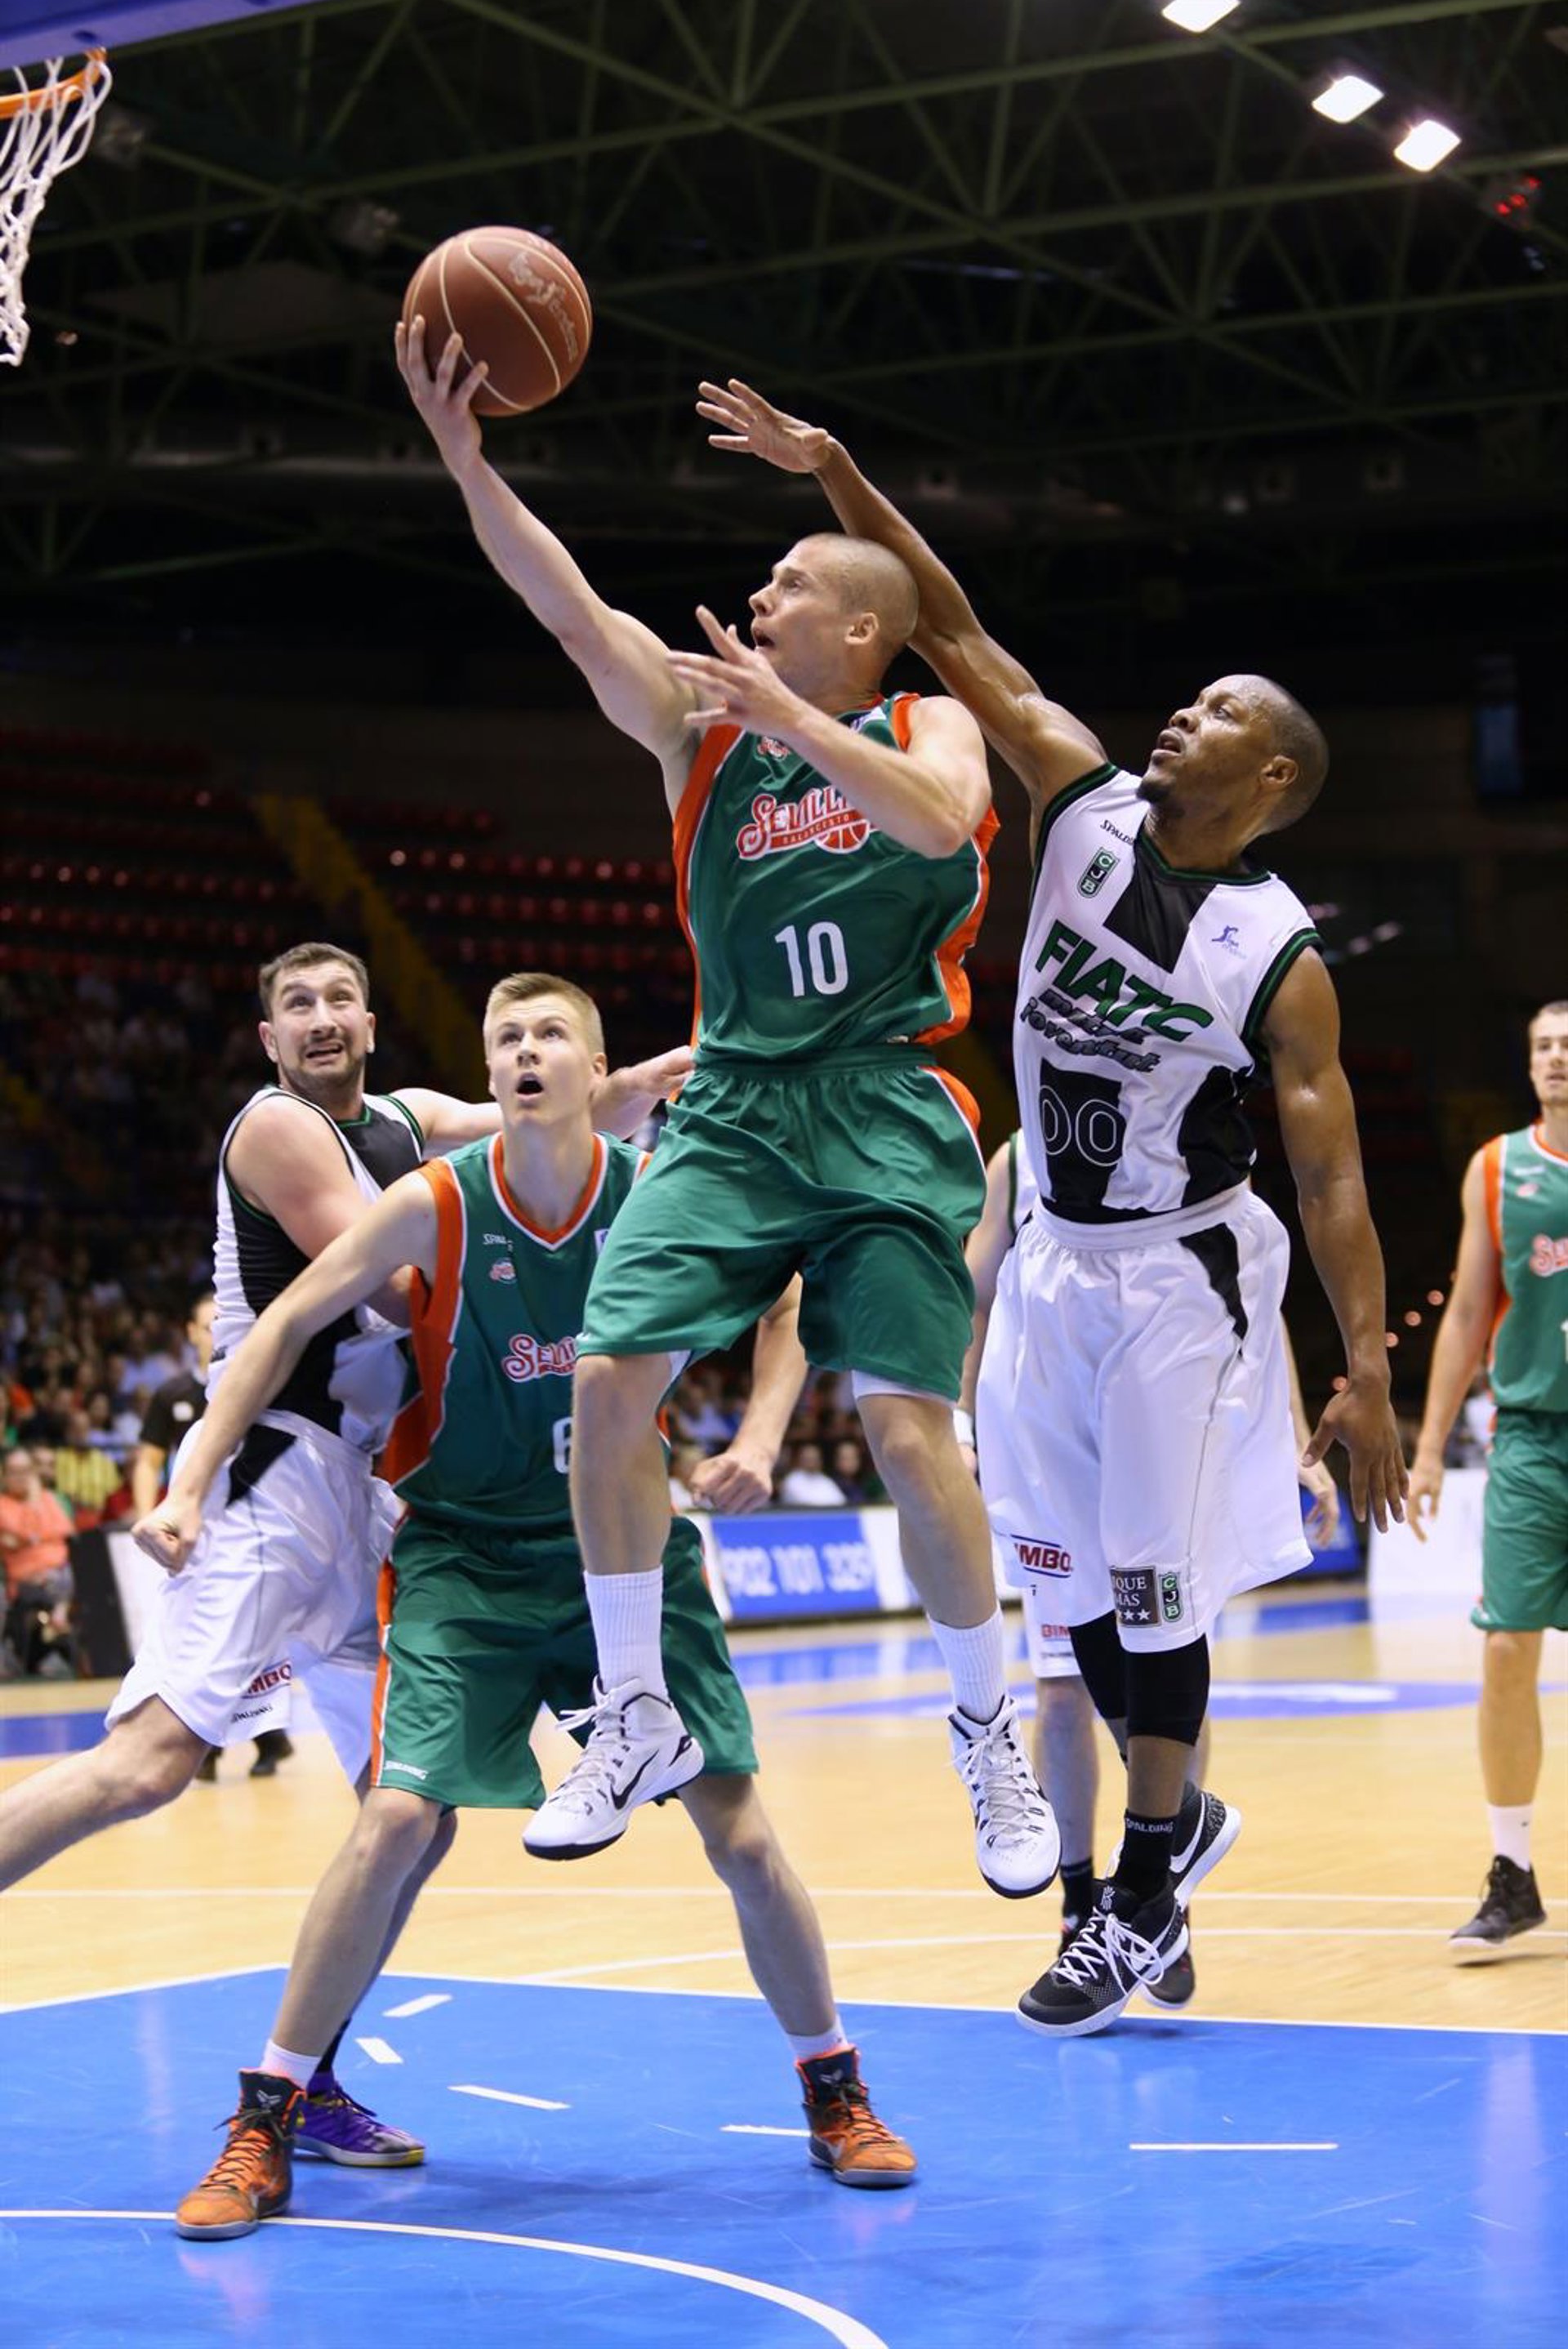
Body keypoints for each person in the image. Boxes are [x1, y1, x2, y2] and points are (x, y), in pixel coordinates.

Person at [700, 378, 1406, 2033]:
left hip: (1179, 1274)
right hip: (1049, 1264)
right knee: (1067, 1590)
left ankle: (1142, 1886)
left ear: (1271, 772)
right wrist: (838, 468)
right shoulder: (1079, 798)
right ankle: (1179, 1824)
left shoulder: (1279, 955)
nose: (1179, 715)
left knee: (1151, 1588)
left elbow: (1332, 1173)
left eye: (1216, 711)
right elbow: (947, 625)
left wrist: (1367, 1367)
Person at [399, 318, 1059, 1902]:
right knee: (608, 1377)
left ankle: (989, 1730)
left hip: (890, 1097)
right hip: (737, 1103)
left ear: (861, 627)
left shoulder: (925, 722)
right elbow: (569, 607)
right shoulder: (700, 733)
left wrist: (795, 720)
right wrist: (465, 461)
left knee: (906, 1424)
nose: (758, 602)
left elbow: (944, 822)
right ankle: (632, 1708)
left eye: (788, 587)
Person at [137, 973, 915, 2240]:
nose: (527, 1050)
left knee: (740, 1832)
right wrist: (186, 1482)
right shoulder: (434, 1201)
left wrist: (764, 1435)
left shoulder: (656, 1197)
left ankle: (835, 2088)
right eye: (506, 1037)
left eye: (552, 1032)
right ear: (491, 1073)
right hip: (466, 1556)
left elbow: (789, 1291)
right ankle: (266, 2112)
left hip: (626, 1556)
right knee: (397, 1816)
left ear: (594, 1069)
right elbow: (281, 1321)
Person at [0, 940, 688, 2163]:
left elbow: (551, 1116)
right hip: (277, 1472)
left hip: (369, 1496)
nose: (321, 1018)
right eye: (296, 1005)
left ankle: (304, 2081)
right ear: (270, 1040)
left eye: (338, 1000)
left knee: (408, 1812)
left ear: (371, 1023)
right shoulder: (278, 1128)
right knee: (147, 1766)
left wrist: (648, 1084)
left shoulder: (408, 1114)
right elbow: (411, 1281)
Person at [960, 1127, 1341, 1996]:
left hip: (1159, 1415)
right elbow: (975, 1296)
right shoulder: (1018, 1161)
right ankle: (1084, 1896)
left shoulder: (1183, 1129)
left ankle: (1159, 1876)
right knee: (1064, 1687)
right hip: (1051, 1427)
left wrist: (1288, 1432)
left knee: (1164, 1634)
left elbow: (1249, 1296)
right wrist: (964, 1418)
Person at [1409, 1000, 1568, 1960]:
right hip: (1533, 1437)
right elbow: (1468, 1309)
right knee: (1507, 1646)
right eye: (1543, 1046)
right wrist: (1430, 1446)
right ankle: (1513, 1870)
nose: (1556, 1058)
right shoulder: (1499, 1168)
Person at [131, 1291, 292, 1782]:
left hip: (246, 1524)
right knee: (199, 1634)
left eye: (224, 1319)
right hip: (190, 1529)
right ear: (191, 1333)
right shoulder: (173, 1394)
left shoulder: (264, 1381)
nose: (217, 1329)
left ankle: (259, 1736)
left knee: (248, 1632)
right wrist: (150, 1516)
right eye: (208, 1324)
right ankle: (224, 1741)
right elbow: (148, 1461)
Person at [0, 1446, 75, 1676]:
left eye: (26, 1471)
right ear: (4, 1475)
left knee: (70, 1574)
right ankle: (59, 1620)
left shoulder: (49, 1498)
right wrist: (33, 1507)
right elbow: (28, 1533)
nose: (21, 1477)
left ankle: (59, 1622)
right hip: (24, 1579)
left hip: (58, 1571)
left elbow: (64, 1530)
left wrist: (29, 1539)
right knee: (58, 1580)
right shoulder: (3, 1505)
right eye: (15, 1471)